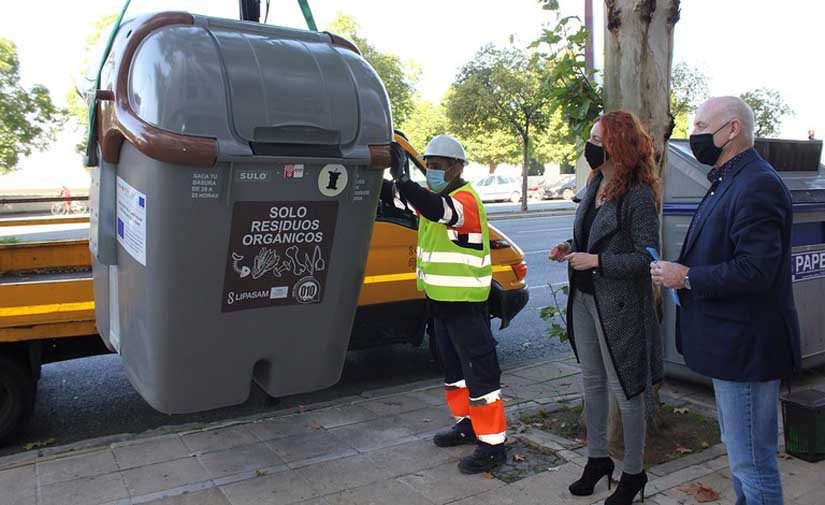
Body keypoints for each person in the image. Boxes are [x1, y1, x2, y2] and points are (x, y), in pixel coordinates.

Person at [652, 96, 801, 505]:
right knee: (743, 457)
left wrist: (687, 277)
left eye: (701, 124)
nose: (694, 132)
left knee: (753, 462)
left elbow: (756, 270)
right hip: (731, 346)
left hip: (746, 350)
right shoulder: (730, 179)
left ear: (732, 129)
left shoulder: (757, 184)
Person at [549, 111, 662, 505]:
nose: (591, 144)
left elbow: (649, 259)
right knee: (592, 383)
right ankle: (598, 460)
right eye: (591, 136)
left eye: (598, 137)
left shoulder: (639, 196)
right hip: (583, 297)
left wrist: (597, 262)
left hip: (620, 307)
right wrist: (569, 247)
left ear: (617, 144)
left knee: (626, 390)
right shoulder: (595, 182)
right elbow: (591, 236)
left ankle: (633, 473)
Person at [383, 134, 507, 474]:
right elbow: (399, 198)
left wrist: (404, 179)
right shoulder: (434, 195)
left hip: (466, 305)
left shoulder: (462, 200)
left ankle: (493, 445)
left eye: (437, 167)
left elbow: (439, 211)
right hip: (440, 303)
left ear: (457, 167)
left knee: (480, 375)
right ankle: (466, 424)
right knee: (454, 375)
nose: (432, 172)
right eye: (429, 167)